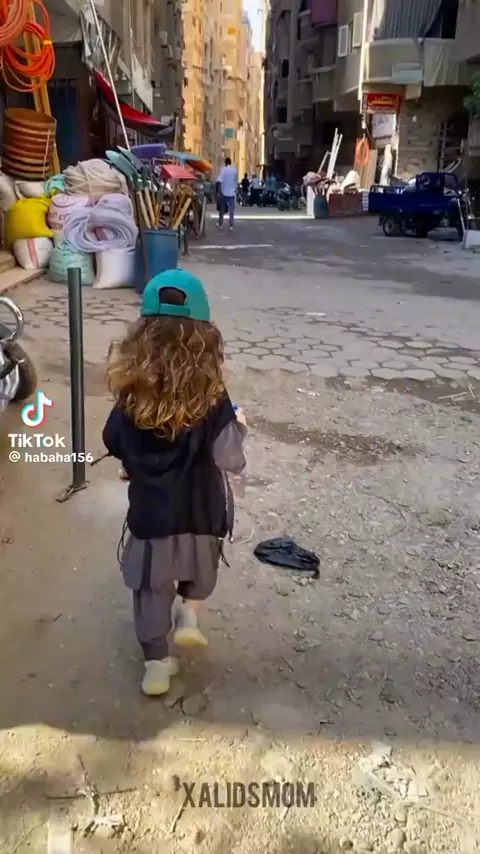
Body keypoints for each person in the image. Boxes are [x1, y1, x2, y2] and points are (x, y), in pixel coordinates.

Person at [103, 269, 248, 697]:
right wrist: (239, 426)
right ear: (205, 340)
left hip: (152, 518)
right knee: (198, 573)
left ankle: (156, 665)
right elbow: (229, 458)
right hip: (201, 514)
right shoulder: (214, 398)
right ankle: (189, 613)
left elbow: (113, 439)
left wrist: (131, 463)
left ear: (141, 337)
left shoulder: (131, 396)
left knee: (150, 591)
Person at [216, 156, 238, 230]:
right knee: (231, 211)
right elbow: (235, 181)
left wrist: (219, 192)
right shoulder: (234, 170)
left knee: (222, 210)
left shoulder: (223, 170)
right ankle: (231, 226)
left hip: (224, 193)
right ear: (230, 162)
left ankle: (221, 224)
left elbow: (219, 181)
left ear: (225, 163)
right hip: (232, 193)